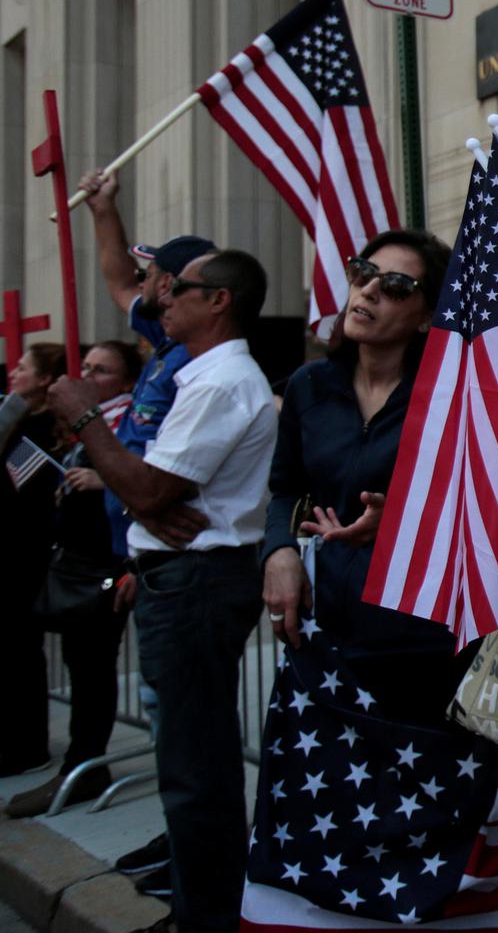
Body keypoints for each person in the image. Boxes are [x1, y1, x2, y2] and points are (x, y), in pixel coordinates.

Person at [48, 249, 277, 933]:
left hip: (195, 585)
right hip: (180, 579)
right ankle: (201, 903)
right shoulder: (198, 375)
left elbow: (150, 486)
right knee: (187, 756)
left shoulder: (220, 383)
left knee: (194, 766)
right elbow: (152, 486)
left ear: (219, 302)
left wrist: (86, 418)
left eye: (178, 289)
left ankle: (206, 917)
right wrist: (147, 499)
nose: (159, 300)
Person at [78, 168, 217, 887]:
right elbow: (115, 281)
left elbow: (172, 483)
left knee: (183, 722)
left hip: (170, 560)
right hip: (140, 549)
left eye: (162, 279)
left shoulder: (203, 364)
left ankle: (195, 855)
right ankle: (178, 838)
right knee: (168, 718)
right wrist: (105, 210)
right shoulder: (165, 342)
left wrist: (139, 542)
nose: (148, 290)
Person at [260, 230, 459, 715]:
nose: (368, 290)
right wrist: (279, 551)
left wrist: (398, 522)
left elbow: (476, 505)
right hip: (322, 630)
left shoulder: (450, 394)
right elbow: (286, 489)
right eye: (362, 273)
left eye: (395, 286)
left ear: (426, 317)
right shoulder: (309, 386)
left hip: (419, 639)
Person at [5, 341, 143, 818]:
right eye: (85, 367)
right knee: (80, 664)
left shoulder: (130, 421)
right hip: (77, 561)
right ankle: (79, 764)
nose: (88, 376)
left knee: (93, 669)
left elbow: (152, 479)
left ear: (127, 383)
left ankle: (86, 764)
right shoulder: (82, 424)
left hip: (111, 564)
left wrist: (105, 479)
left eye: (102, 371)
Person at [1, 343, 69, 778]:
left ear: (46, 379)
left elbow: (35, 492)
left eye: (23, 368)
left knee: (19, 650)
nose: (13, 373)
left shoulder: (49, 429)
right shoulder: (17, 419)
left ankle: (26, 746)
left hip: (26, 552)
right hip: (9, 549)